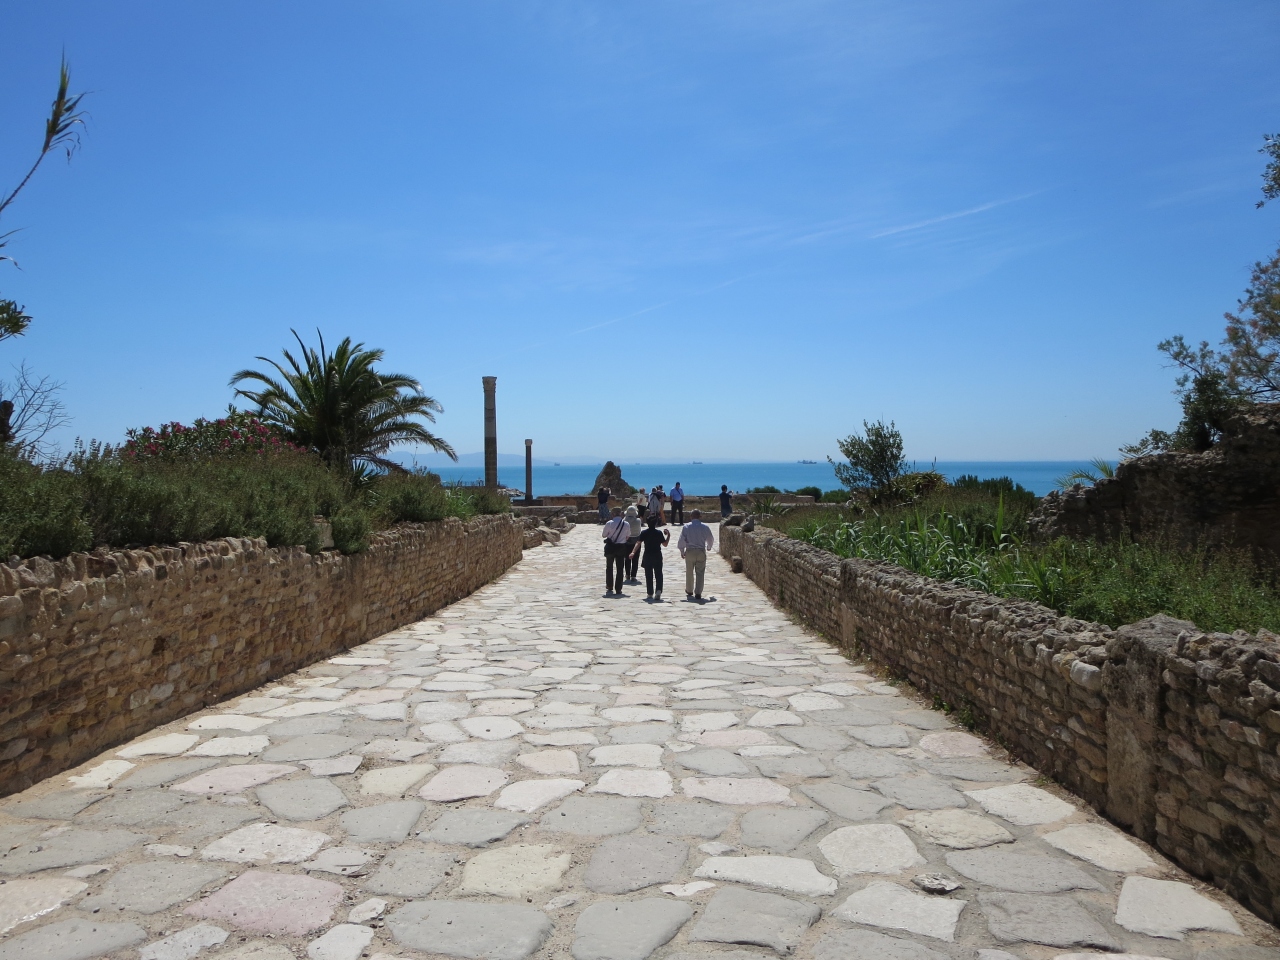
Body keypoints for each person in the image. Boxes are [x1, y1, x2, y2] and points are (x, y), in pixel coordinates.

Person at [630, 514, 670, 601]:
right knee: (658, 574)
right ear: (656, 523)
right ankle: (658, 590)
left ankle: (650, 592)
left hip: (647, 555)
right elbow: (665, 544)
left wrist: (633, 552)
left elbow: (638, 543)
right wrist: (668, 536)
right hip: (657, 555)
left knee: (648, 574)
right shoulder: (658, 533)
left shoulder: (644, 533)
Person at [678, 509, 715, 600]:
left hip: (690, 551)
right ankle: (698, 592)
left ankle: (689, 590)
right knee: (700, 572)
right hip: (701, 551)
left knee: (689, 572)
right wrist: (709, 547)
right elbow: (710, 538)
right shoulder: (705, 527)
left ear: (691, 517)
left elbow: (682, 539)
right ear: (700, 517)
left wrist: (682, 551)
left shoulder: (686, 527)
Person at [602, 507, 631, 596]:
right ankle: (618, 588)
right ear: (621, 514)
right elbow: (628, 536)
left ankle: (609, 585)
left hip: (610, 547)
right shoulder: (626, 524)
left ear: (613, 514)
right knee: (620, 568)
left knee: (609, 567)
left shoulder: (609, 523)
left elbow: (604, 535)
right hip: (621, 547)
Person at [623, 503, 642, 583]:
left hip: (627, 541)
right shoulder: (638, 521)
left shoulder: (624, 521)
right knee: (635, 559)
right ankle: (633, 575)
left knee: (627, 558)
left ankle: (627, 574)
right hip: (636, 540)